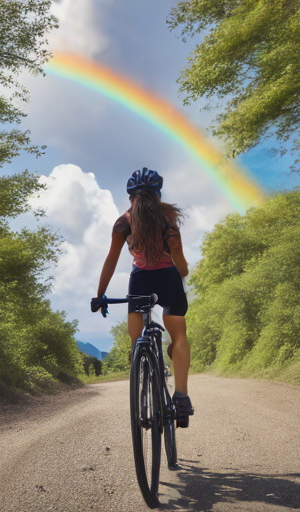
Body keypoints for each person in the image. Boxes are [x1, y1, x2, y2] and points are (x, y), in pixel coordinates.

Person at [93, 167, 194, 418]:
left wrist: (100, 295)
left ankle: (143, 364)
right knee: (178, 338)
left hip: (139, 282)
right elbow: (182, 269)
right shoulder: (169, 224)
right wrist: (180, 267)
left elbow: (111, 260)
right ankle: (181, 396)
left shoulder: (122, 223)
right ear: (158, 196)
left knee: (135, 337)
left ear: (131, 198)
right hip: (168, 280)